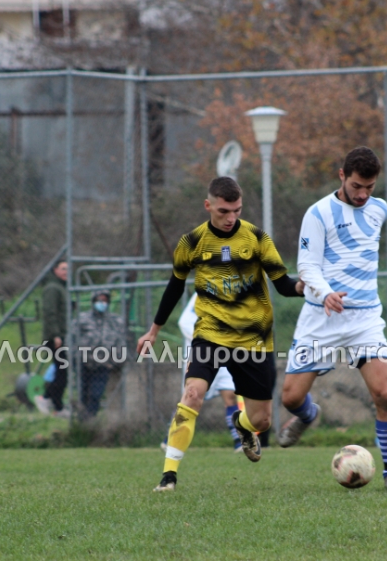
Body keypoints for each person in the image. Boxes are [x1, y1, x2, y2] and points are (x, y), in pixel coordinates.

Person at [136, 176, 304, 492]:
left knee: (262, 420)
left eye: (237, 211)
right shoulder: (191, 242)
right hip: (210, 334)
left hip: (253, 339)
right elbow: (174, 287)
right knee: (192, 394)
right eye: (224, 211)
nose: (231, 218)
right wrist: (153, 331)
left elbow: (282, 283)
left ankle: (242, 425)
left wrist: (302, 288)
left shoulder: (256, 238)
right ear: (208, 205)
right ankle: (168, 476)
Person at [278, 146, 387, 492]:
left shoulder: (380, 209)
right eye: (356, 186)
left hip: (364, 319)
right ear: (341, 175)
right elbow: (307, 265)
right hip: (321, 316)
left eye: (370, 187)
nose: (363, 194)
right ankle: (309, 415)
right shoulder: (318, 213)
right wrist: (326, 293)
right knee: (290, 398)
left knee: (384, 394)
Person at [161, 292, 244, 453]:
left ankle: (239, 441)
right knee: (191, 397)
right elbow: (185, 322)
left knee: (230, 395)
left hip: (226, 353)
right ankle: (170, 438)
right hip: (202, 355)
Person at [74, 290, 128, 418]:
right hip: (84, 362)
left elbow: (121, 342)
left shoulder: (115, 321)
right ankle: (82, 418)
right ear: (93, 301)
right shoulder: (82, 319)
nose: (102, 303)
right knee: (83, 392)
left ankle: (91, 418)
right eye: (99, 300)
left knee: (96, 394)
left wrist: (116, 361)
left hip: (104, 364)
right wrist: (74, 357)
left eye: (104, 300)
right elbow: (72, 339)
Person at [36, 260, 70, 418]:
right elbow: (50, 313)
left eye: (68, 269)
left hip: (62, 335)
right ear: (55, 270)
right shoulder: (52, 288)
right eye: (63, 269)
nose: (66, 272)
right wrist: (56, 335)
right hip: (55, 338)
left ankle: (57, 406)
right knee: (63, 373)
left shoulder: (62, 287)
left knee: (62, 372)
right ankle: (46, 398)